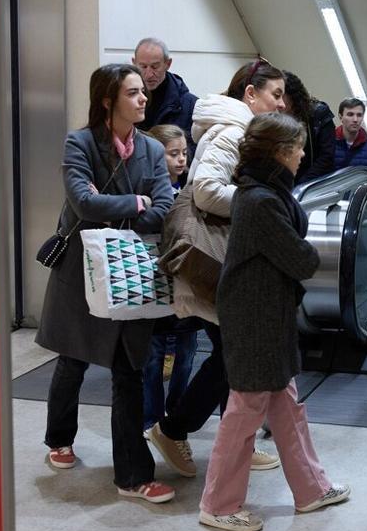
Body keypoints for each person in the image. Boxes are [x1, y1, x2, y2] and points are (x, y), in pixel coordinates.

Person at [198, 112, 351, 531]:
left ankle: (311, 489)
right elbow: (301, 259)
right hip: (255, 318)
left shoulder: (263, 193)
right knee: (245, 410)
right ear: (280, 153)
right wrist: (306, 251)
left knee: (285, 404)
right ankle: (218, 504)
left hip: (268, 313)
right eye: (298, 147)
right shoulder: (262, 201)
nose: (304, 154)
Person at [35, 63, 177, 503]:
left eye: (142, 92)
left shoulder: (152, 149)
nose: (143, 99)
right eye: (132, 93)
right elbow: (83, 201)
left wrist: (112, 209)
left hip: (131, 270)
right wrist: (136, 201)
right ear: (107, 101)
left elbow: (166, 205)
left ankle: (132, 476)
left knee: (128, 371)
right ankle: (59, 437)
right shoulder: (80, 144)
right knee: (73, 357)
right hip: (82, 270)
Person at [148, 58, 287, 478]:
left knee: (233, 353)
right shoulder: (233, 129)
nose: (281, 104)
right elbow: (206, 191)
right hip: (215, 254)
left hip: (225, 254)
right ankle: (173, 429)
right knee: (233, 353)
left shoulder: (240, 128)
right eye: (275, 95)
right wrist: (261, 202)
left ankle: (231, 442)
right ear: (250, 94)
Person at [140, 124, 201, 434]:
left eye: (184, 153)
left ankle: (177, 414)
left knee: (187, 351)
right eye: (173, 153)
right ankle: (151, 418)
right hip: (153, 280)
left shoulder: (192, 189)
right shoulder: (148, 191)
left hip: (185, 283)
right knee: (153, 356)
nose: (181, 160)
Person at [133, 37, 199, 157]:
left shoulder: (190, 104)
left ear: (168, 64)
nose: (148, 74)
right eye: (143, 66)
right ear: (134, 63)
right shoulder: (126, 102)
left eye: (155, 67)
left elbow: (196, 151)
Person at [282, 71, 336, 184]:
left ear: (292, 95)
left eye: (281, 96)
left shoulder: (318, 112)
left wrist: (301, 184)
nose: (278, 102)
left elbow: (326, 156)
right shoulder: (278, 117)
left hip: (318, 182)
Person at [334, 98, 367, 175]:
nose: (355, 119)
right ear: (341, 117)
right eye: (350, 114)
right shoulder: (327, 145)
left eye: (359, 115)